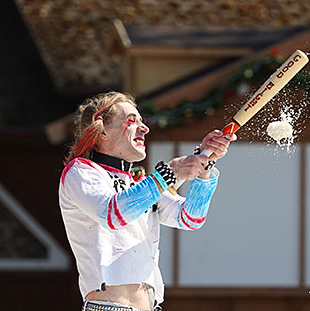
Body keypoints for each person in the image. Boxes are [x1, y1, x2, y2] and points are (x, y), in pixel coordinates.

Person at [58, 92, 236, 311]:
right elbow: (112, 214)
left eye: (142, 121)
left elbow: (190, 218)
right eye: (131, 121)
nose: (145, 128)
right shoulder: (81, 171)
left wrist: (205, 163)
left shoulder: (138, 183)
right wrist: (167, 174)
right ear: (102, 130)